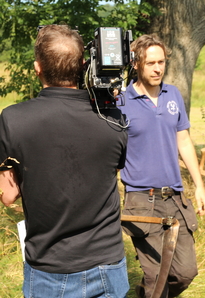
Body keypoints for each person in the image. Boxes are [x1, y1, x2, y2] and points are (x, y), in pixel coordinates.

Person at [0, 25, 129, 298]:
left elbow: (8, 195)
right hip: (107, 264)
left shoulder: (13, 119)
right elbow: (113, 169)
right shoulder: (113, 119)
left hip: (49, 268)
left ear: (38, 68)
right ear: (84, 65)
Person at [118, 33, 205, 298]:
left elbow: (184, 141)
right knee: (155, 275)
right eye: (151, 63)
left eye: (161, 62)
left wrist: (199, 186)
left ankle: (150, 294)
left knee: (185, 272)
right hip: (141, 199)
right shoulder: (121, 103)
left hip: (176, 197)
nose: (158, 68)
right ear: (136, 64)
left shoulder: (173, 95)